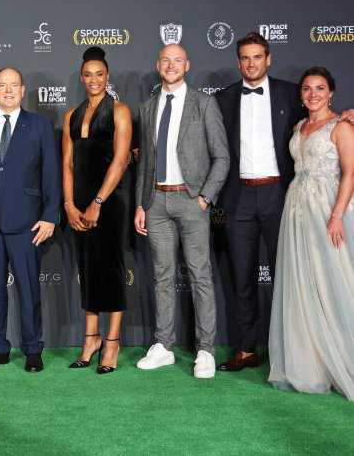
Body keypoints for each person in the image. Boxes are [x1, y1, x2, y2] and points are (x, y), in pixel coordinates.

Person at [215, 32, 354, 372]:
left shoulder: (292, 93)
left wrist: (350, 114)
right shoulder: (223, 98)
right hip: (239, 197)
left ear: (268, 58)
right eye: (245, 58)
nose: (251, 63)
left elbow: (324, 116)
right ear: (238, 62)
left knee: (293, 275)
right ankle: (247, 349)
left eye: (257, 57)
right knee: (242, 278)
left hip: (283, 197)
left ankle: (302, 352)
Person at [134, 44, 229, 379]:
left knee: (200, 275)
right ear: (158, 65)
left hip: (191, 201)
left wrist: (204, 197)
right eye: (165, 60)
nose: (170, 65)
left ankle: (206, 349)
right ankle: (164, 346)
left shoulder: (204, 103)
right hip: (156, 201)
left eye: (177, 60)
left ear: (187, 64)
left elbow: (222, 157)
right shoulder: (148, 106)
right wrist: (140, 204)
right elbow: (144, 161)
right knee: (161, 275)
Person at [0, 67, 60, 373]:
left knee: (29, 289)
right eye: (2, 86)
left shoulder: (41, 125)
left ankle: (32, 349)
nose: (7, 91)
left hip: (27, 222)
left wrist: (49, 216)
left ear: (21, 91)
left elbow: (51, 175)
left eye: (13, 86)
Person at [268, 67, 354, 401]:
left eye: (320, 88)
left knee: (335, 279)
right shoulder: (299, 126)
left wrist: (335, 217)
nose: (313, 94)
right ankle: (314, 362)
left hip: (329, 209)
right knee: (303, 284)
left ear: (331, 92)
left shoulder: (342, 127)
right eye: (307, 89)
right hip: (296, 210)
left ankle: (343, 356)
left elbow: (349, 175)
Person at [62, 47, 132, 373]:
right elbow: (67, 164)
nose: (93, 80)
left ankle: (113, 343)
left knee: (112, 269)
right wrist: (70, 206)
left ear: (108, 77)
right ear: (81, 77)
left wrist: (97, 203)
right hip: (78, 205)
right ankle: (91, 338)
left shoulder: (119, 111)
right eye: (88, 75)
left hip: (109, 203)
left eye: (99, 74)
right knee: (88, 269)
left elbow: (120, 161)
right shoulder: (71, 115)